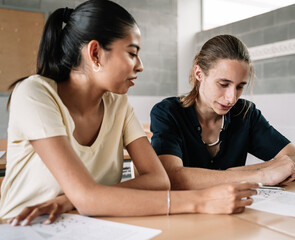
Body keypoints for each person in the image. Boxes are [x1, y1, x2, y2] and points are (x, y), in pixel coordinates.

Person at [0, 1, 259, 226]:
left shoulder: (118, 105)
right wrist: (199, 200)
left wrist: (73, 200)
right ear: (95, 53)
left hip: (91, 225)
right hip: (24, 228)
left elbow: (158, 180)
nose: (141, 65)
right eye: (132, 53)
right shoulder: (34, 93)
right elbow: (88, 198)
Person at [150, 34, 295, 190]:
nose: (232, 98)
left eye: (240, 86)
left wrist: (233, 174)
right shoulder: (167, 112)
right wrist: (261, 175)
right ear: (199, 74)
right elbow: (170, 176)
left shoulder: (246, 114)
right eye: (223, 84)